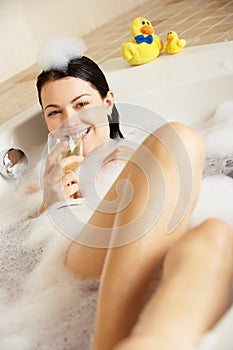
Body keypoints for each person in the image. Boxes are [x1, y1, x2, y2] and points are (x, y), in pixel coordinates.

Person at [36, 36, 233, 350]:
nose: (70, 121)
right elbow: (25, 240)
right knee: (180, 138)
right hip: (74, 248)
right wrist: (53, 201)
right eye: (54, 112)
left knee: (215, 236)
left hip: (148, 246)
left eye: (81, 104)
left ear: (108, 102)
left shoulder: (139, 151)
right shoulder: (46, 176)